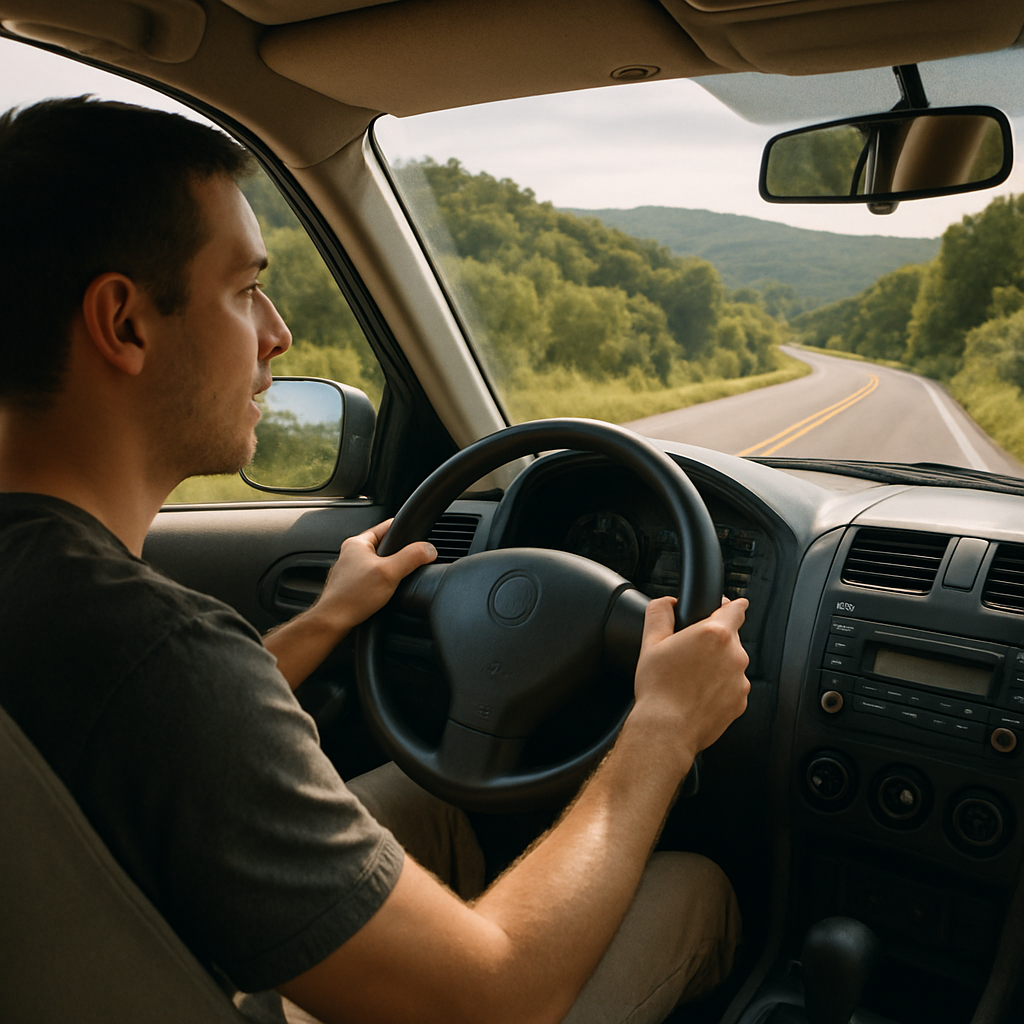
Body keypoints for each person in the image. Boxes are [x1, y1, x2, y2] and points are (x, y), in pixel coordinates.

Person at [0, 97, 751, 1024]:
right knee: (693, 889)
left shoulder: (80, 617)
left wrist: (325, 617)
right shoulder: (161, 653)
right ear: (124, 323)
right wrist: (664, 728)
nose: (277, 333)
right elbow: (495, 995)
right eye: (243, 290)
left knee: (428, 805)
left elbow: (138, 724)